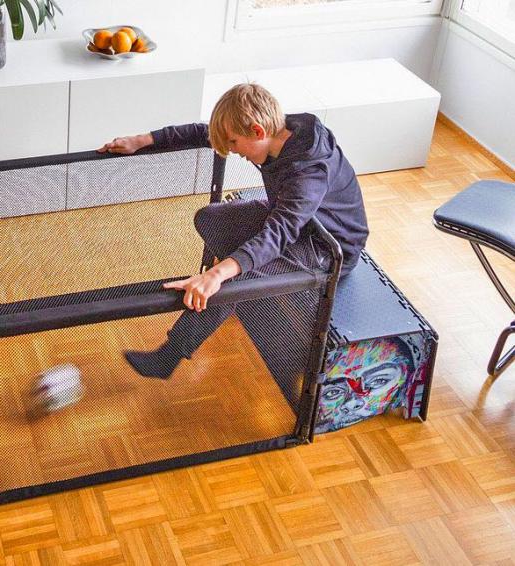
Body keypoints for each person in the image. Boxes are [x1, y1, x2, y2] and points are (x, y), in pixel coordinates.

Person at [98, 83, 369, 379]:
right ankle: (233, 294)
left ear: (257, 131)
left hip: (326, 247)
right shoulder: (277, 127)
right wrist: (142, 140)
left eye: (234, 142)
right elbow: (203, 132)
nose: (231, 150)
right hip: (294, 221)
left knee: (232, 281)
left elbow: (279, 232)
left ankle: (169, 356)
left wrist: (218, 274)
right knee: (209, 218)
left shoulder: (309, 172)